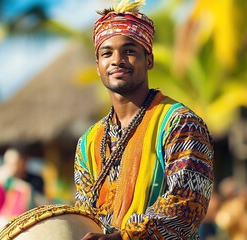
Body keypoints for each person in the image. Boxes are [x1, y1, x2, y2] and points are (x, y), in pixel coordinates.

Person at [73, 0, 215, 239]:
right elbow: (84, 214)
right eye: (107, 53)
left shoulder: (180, 123)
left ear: (148, 60)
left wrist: (121, 238)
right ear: (98, 66)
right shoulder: (88, 143)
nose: (117, 60)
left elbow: (187, 206)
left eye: (129, 51)